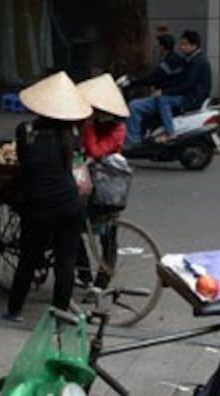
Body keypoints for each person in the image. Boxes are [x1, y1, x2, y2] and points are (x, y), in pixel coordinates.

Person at [3, 71, 92, 321]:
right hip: (68, 205)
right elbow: (74, 165)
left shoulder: (25, 131)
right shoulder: (72, 134)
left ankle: (14, 311)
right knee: (66, 261)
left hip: (37, 206)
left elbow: (25, 164)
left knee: (29, 258)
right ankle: (59, 317)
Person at [76, 73, 129, 289]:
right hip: (84, 180)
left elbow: (95, 151)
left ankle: (102, 280)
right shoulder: (92, 123)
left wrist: (88, 127)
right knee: (75, 225)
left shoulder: (117, 129)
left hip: (106, 185)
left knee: (107, 233)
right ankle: (84, 274)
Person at [126, 31, 211, 146]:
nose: (182, 47)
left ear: (194, 45)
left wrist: (164, 92)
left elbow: (187, 84)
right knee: (135, 105)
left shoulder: (198, 62)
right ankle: (135, 140)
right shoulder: (188, 61)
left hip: (192, 98)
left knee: (164, 99)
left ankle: (170, 133)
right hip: (185, 95)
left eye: (185, 44)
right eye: (181, 44)